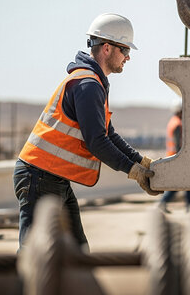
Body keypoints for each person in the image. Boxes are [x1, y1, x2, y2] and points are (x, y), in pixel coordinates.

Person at [13, 13, 161, 250]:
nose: (128, 57)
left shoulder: (93, 82)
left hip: (51, 177)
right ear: (106, 48)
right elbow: (97, 142)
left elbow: (108, 134)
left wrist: (141, 161)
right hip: (38, 177)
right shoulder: (87, 85)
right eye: (124, 50)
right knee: (34, 256)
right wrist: (135, 172)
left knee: (78, 253)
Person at [157, 102, 190, 213]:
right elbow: (178, 145)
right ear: (179, 112)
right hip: (177, 157)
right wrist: (183, 158)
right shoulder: (177, 124)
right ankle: (163, 204)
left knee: (185, 183)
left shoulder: (173, 122)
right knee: (180, 184)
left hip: (173, 156)